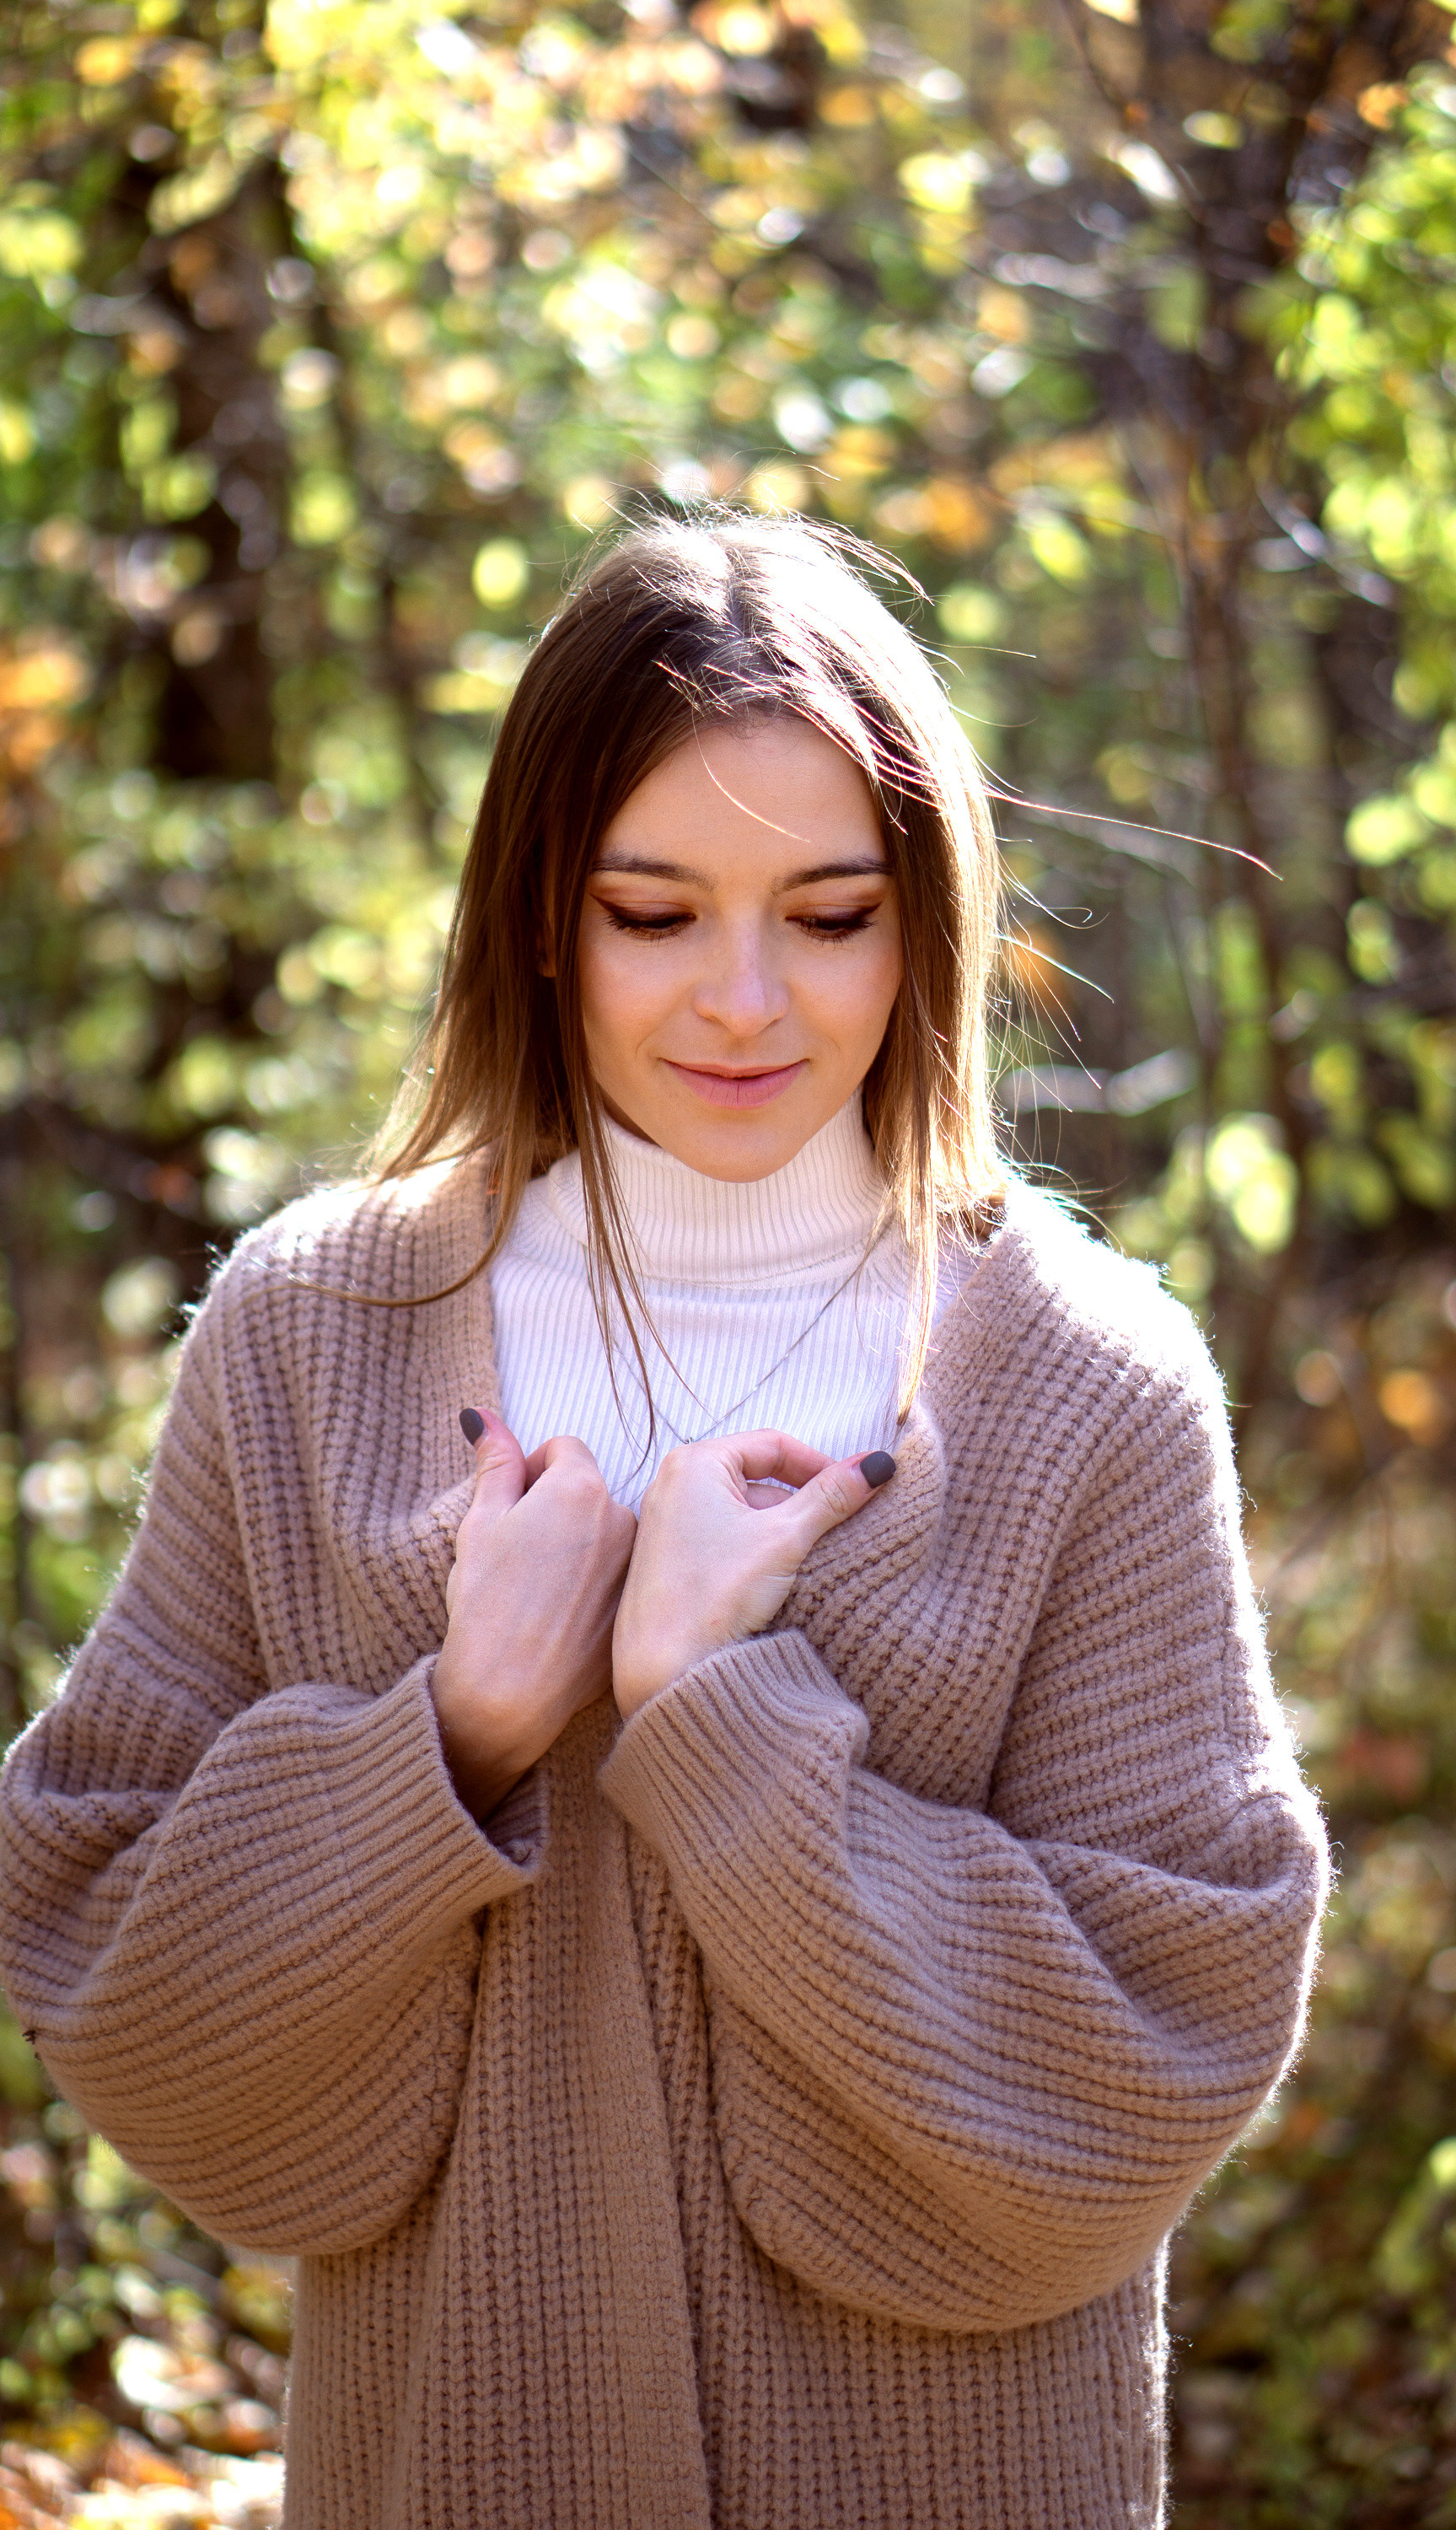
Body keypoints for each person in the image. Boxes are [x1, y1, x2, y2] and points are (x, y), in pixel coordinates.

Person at [0, 514, 1327, 2530]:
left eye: (828, 915)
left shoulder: (1086, 1387)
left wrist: (730, 1731)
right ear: (543, 913)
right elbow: (105, 1972)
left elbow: (1165, 2044)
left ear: (923, 925)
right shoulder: (316, 1335)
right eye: (653, 912)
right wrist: (447, 1739)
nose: (744, 1000)